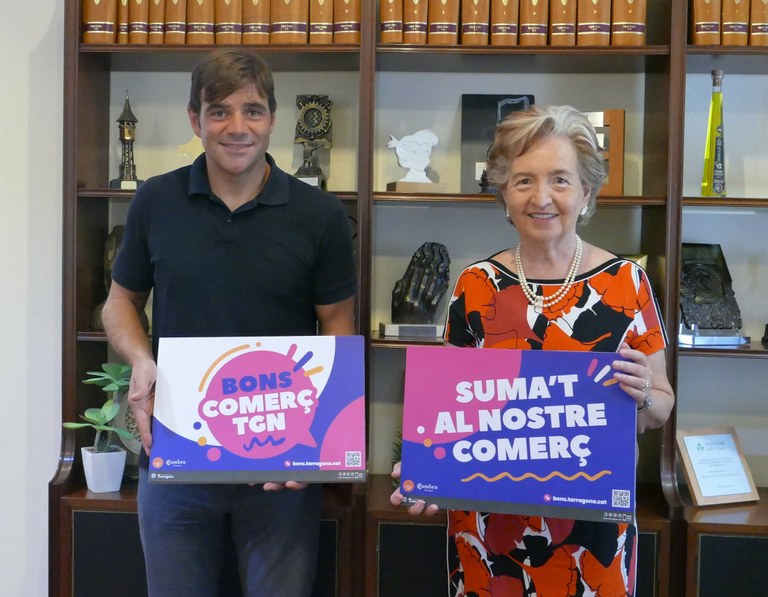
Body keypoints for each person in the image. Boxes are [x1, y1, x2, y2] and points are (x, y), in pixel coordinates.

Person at [390, 105, 674, 596]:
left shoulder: (628, 283)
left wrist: (644, 394)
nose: (541, 197)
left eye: (560, 180)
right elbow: (446, 410)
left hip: (592, 536)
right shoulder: (475, 284)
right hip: (488, 530)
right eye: (523, 181)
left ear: (586, 192)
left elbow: (661, 405)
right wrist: (427, 470)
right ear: (504, 192)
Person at [102, 49, 357, 597]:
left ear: (273, 119)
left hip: (281, 464)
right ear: (195, 119)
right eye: (219, 111)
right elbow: (119, 302)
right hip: (176, 451)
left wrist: (320, 440)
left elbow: (339, 326)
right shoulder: (155, 200)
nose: (237, 127)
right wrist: (141, 360)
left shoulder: (321, 215)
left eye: (253, 111)